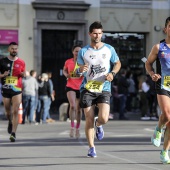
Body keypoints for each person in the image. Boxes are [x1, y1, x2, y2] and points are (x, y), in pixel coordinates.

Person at [77, 21, 121, 157]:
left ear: (102, 34)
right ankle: (91, 148)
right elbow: (78, 70)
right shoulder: (83, 51)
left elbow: (118, 63)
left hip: (104, 87)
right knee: (88, 118)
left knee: (104, 117)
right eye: (95, 33)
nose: (97, 36)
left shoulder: (109, 49)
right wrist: (80, 69)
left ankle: (99, 123)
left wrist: (112, 73)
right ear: (90, 34)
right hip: (88, 88)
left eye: (100, 33)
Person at [145, 16, 170, 164]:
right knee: (166, 115)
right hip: (163, 84)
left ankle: (165, 151)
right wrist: (152, 74)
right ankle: (159, 128)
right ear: (165, 29)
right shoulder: (158, 47)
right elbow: (147, 63)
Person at [0, 42, 26, 142]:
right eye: (12, 49)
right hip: (6, 89)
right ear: (8, 50)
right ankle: (10, 122)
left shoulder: (22, 62)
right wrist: (3, 75)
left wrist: (23, 74)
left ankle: (13, 133)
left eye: (15, 49)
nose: (14, 50)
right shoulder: (2, 61)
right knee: (8, 111)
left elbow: (24, 73)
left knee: (15, 111)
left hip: (17, 89)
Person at [63, 44, 83, 138]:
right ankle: (71, 127)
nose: (78, 53)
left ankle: (77, 129)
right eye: (76, 51)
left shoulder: (84, 62)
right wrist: (66, 74)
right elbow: (64, 70)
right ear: (73, 52)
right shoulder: (68, 62)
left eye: (80, 51)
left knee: (79, 110)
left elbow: (88, 73)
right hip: (70, 86)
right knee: (73, 106)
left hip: (81, 87)